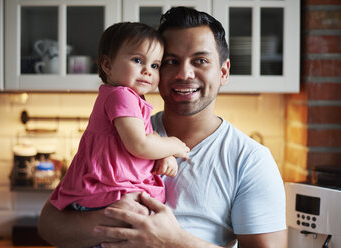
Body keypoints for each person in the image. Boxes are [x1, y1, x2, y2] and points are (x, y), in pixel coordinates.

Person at [38, 7, 287, 248]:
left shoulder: (251, 160)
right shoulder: (122, 131)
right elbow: (50, 223)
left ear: (223, 72)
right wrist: (116, 220)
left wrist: (172, 242)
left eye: (200, 60)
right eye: (170, 62)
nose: (184, 73)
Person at [49, 22, 189, 215]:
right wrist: (174, 145)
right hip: (108, 192)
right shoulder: (121, 95)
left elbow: (145, 136)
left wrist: (164, 153)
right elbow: (139, 144)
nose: (148, 70)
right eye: (138, 60)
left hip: (110, 192)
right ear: (107, 65)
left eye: (155, 65)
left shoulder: (126, 97)